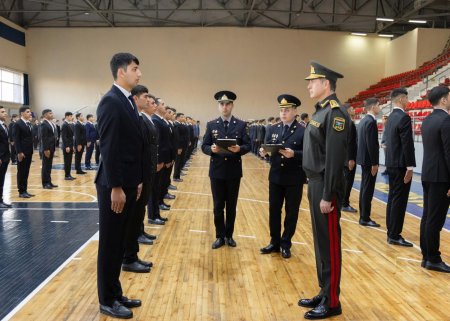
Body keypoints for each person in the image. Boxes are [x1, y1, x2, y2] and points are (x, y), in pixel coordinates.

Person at [298, 62, 349, 319]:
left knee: (329, 244)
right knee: (320, 243)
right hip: (315, 183)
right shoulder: (320, 112)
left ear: (325, 83)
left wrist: (328, 194)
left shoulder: (335, 113)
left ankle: (332, 302)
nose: (308, 85)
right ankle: (324, 290)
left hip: (325, 185)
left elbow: (335, 159)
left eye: (312, 81)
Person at [95, 52, 143, 319]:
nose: (139, 74)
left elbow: (130, 147)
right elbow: (109, 148)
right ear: (121, 72)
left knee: (119, 242)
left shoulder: (127, 101)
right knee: (111, 244)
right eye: (135, 69)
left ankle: (116, 292)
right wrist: (115, 187)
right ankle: (107, 299)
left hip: (126, 183)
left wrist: (134, 181)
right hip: (114, 186)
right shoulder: (111, 102)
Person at [201, 90, 251, 249]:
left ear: (232, 105)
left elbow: (248, 145)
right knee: (217, 206)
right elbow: (204, 145)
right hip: (216, 171)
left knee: (231, 205)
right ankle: (219, 236)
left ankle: (229, 235)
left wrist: (239, 149)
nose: (224, 107)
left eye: (227, 104)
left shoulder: (241, 125)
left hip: (233, 171)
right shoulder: (211, 125)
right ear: (218, 106)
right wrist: (211, 149)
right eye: (221, 104)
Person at [259, 94, 306, 259]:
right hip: (276, 177)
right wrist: (263, 152)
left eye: (287, 110)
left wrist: (295, 154)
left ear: (295, 111)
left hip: (294, 178)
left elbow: (308, 154)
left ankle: (286, 243)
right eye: (281, 110)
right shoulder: (272, 128)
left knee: (291, 212)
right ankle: (274, 242)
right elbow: (268, 148)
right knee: (274, 211)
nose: (283, 113)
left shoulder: (302, 130)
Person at [122, 85, 157, 274]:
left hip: (144, 173)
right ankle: (129, 257)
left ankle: (132, 256)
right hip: (137, 176)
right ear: (136, 99)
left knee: (137, 215)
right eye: (145, 97)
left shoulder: (142, 118)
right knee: (133, 218)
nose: (148, 101)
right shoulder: (138, 118)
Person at [420, 85, 450, 273]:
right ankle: (433, 257)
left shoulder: (427, 120)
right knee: (435, 219)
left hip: (428, 173)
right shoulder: (446, 121)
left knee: (428, 216)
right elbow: (449, 153)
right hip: (441, 177)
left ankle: (426, 255)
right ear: (444, 100)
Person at [385, 87, 415, 247]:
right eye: (407, 98)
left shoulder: (391, 117)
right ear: (401, 99)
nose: (408, 101)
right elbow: (407, 144)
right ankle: (395, 235)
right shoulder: (403, 117)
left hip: (391, 163)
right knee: (399, 200)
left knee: (393, 197)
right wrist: (410, 166)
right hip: (401, 165)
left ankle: (391, 231)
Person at [356, 98, 381, 227]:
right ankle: (365, 217)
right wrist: (375, 163)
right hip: (369, 161)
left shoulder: (363, 121)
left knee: (364, 188)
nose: (380, 107)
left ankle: (363, 216)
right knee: (368, 189)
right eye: (378, 105)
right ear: (372, 107)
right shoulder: (370, 122)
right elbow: (371, 145)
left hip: (363, 159)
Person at [13, 106, 35, 198]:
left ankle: (25, 189)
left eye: (30, 112)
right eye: (27, 112)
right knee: (21, 171)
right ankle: (21, 191)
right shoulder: (18, 124)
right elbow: (16, 139)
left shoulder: (28, 123)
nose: (30, 113)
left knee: (26, 171)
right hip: (22, 152)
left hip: (29, 151)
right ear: (22, 113)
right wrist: (19, 152)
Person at [341, 104, 357, 213]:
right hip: (348, 158)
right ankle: (344, 203)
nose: (354, 110)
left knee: (344, 181)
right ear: (347, 111)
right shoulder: (350, 123)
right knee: (348, 181)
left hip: (343, 157)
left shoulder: (343, 122)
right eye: (352, 108)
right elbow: (350, 143)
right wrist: (350, 159)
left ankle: (343, 201)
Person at [40, 109, 58, 189]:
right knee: (45, 166)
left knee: (49, 166)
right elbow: (44, 138)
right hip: (47, 149)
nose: (52, 114)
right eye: (50, 113)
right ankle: (45, 183)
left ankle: (49, 181)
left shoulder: (50, 123)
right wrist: (46, 149)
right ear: (45, 115)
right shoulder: (44, 124)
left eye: (52, 113)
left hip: (51, 147)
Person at [0, 106, 11, 208]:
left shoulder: (4, 125)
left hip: (5, 157)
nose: (5, 113)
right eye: (2, 112)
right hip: (1, 157)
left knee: (2, 179)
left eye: (5, 112)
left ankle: (1, 199)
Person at [61, 112, 76, 180]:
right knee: (67, 161)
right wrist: (67, 146)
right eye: (70, 116)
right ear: (67, 116)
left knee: (69, 161)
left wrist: (72, 146)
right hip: (67, 146)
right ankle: (66, 175)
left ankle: (69, 174)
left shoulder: (69, 124)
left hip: (70, 145)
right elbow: (64, 137)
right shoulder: (64, 124)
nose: (71, 117)